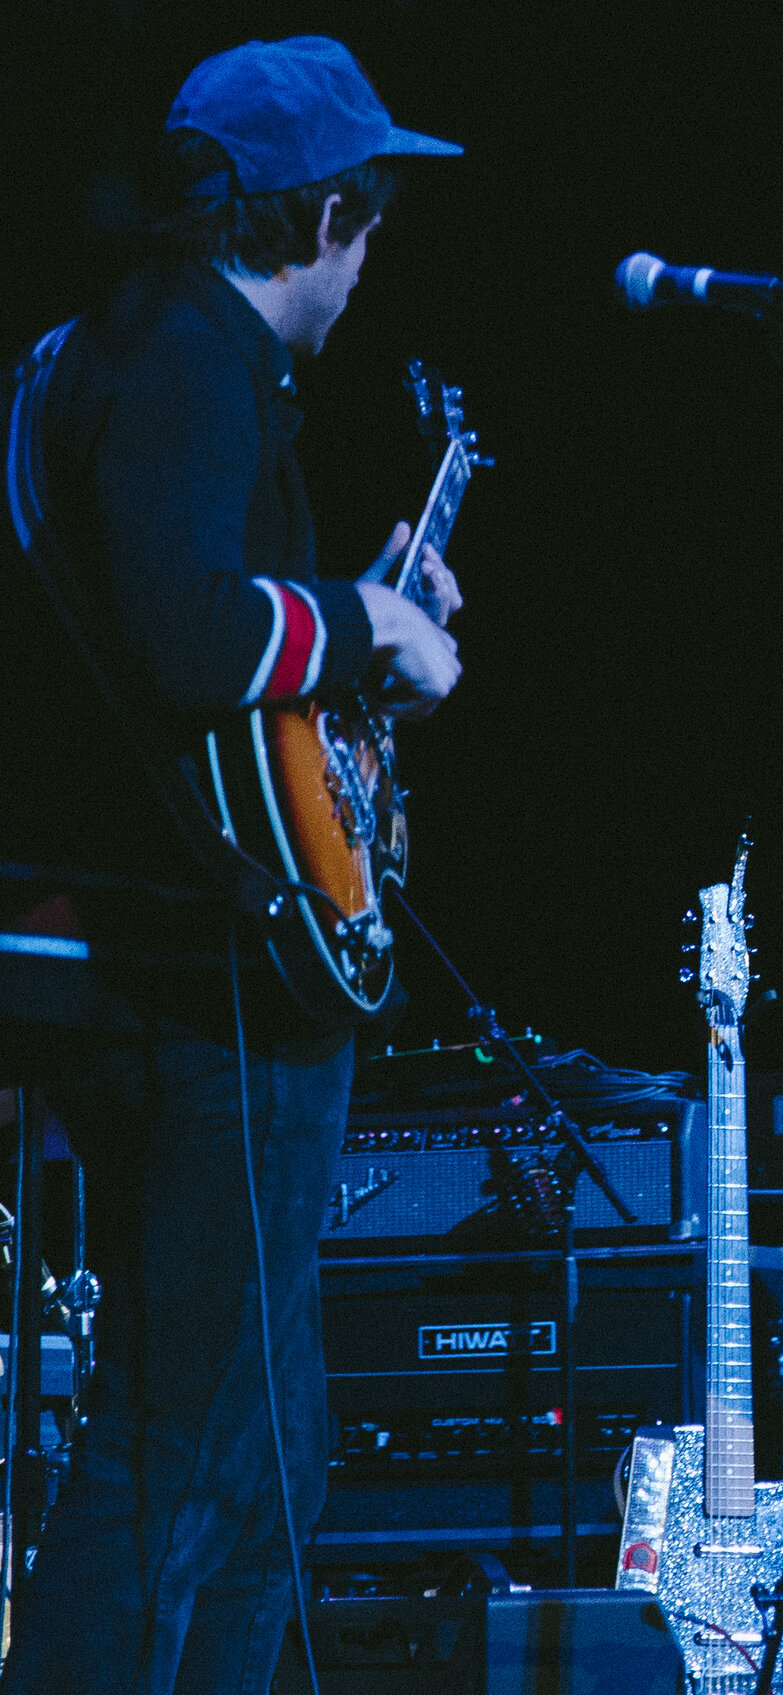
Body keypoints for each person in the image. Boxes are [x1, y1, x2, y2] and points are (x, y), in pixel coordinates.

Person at [0, 38, 463, 1693]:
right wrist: (366, 621)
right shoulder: (188, 358)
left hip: (157, 952)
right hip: (200, 975)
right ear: (325, 214)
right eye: (371, 217)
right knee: (180, 1437)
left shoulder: (122, 354)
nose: (374, 251)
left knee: (274, 1450)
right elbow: (191, 631)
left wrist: (334, 646)